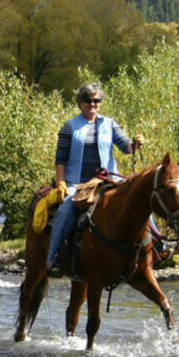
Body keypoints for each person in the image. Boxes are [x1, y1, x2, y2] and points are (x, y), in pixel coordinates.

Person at [46, 83, 143, 278]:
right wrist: (61, 182)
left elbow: (125, 147)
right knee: (65, 211)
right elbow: (61, 159)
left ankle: (157, 245)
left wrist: (135, 144)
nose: (92, 104)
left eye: (96, 101)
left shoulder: (110, 124)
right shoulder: (69, 127)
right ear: (80, 103)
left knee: (138, 201)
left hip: (108, 180)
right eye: (88, 101)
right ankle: (53, 258)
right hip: (78, 183)